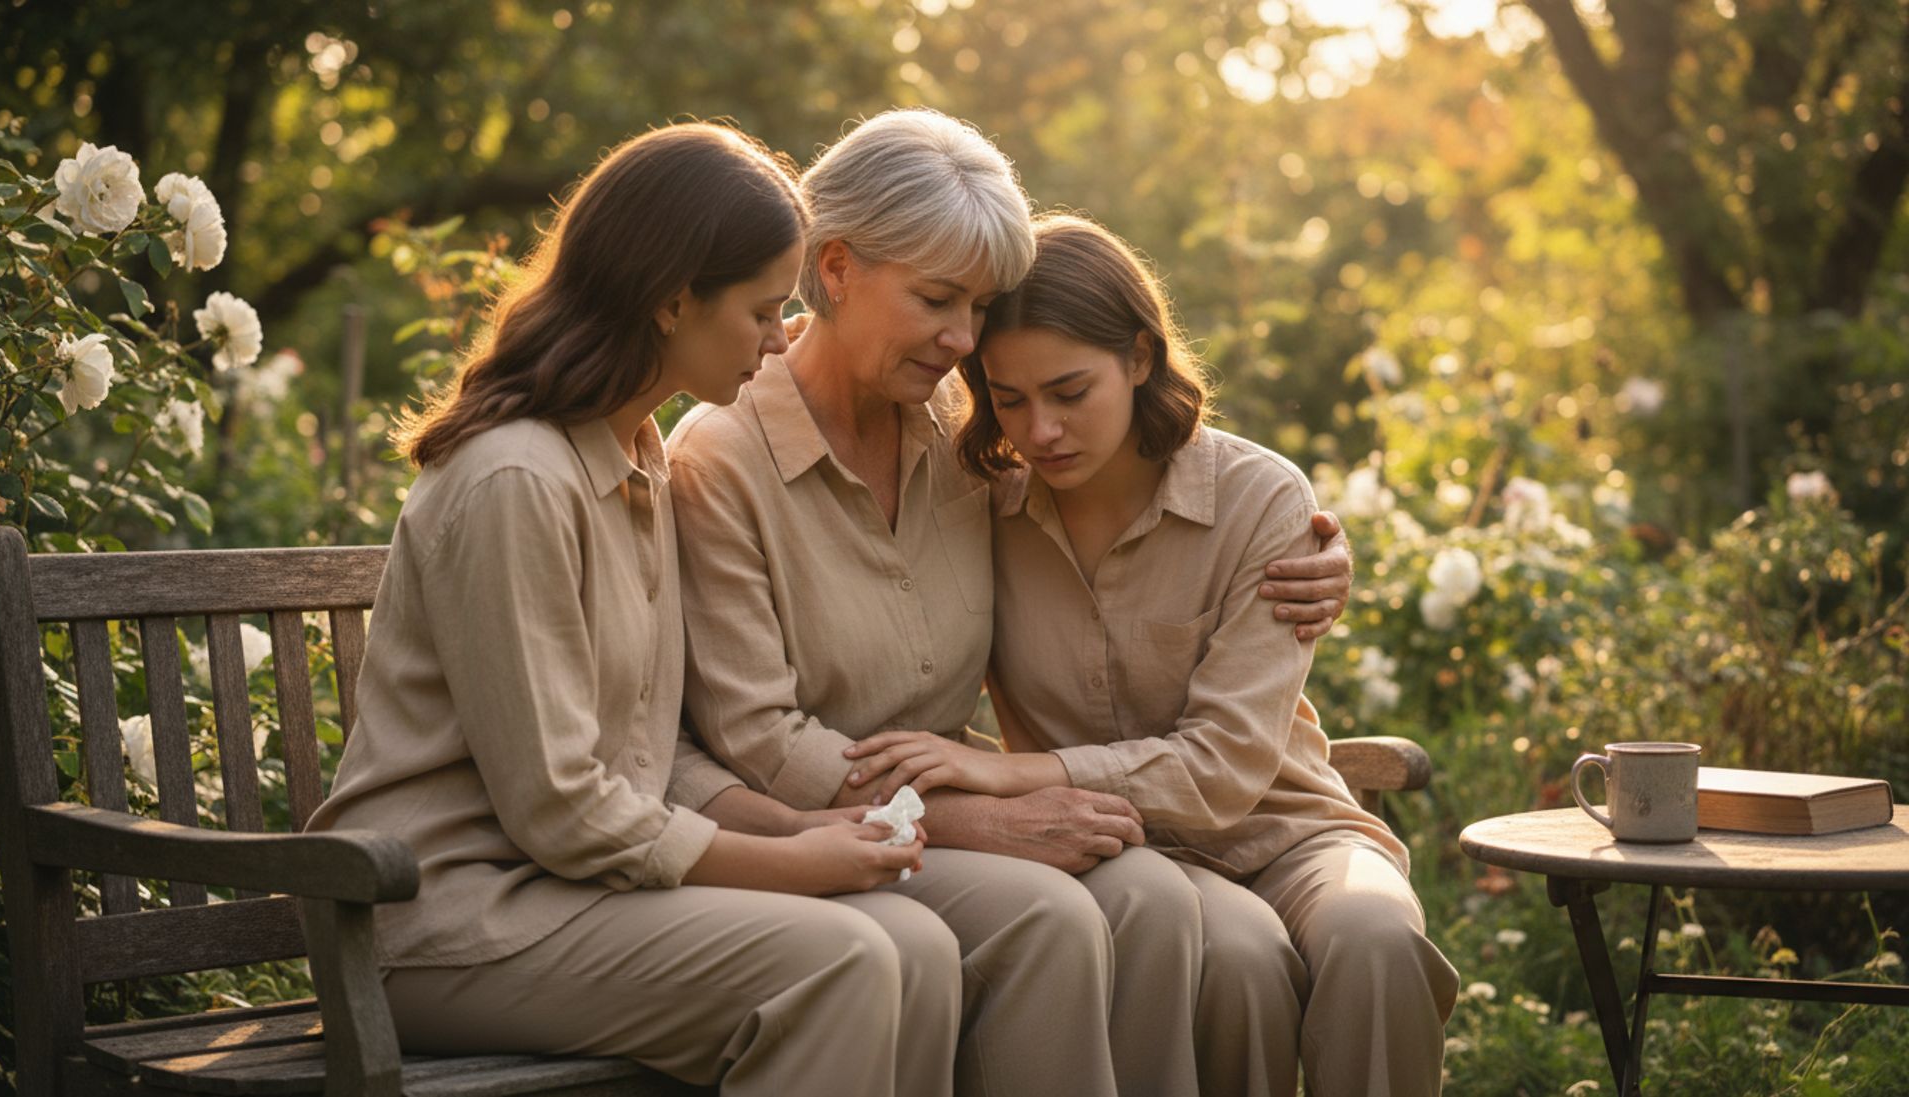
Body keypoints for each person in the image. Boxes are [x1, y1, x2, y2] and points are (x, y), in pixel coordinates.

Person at [668, 109, 1356, 1097]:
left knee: (1158, 901)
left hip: (963, 802)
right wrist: (974, 819)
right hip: (816, 823)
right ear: (834, 270)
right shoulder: (723, 454)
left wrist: (1314, 550)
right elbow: (761, 740)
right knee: (1059, 916)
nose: (963, 341)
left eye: (979, 307)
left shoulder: (963, 429)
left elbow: (1131, 470)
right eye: (939, 299)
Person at [304, 123, 959, 1097]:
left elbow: (641, 748)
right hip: (443, 922)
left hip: (571, 893)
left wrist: (793, 828)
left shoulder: (639, 456)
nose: (781, 337)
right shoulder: (515, 480)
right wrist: (798, 864)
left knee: (920, 944)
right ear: (670, 300)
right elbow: (561, 801)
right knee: (840, 960)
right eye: (762, 309)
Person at [846, 214, 1460, 1097]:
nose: (1041, 429)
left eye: (1069, 390)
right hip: (1123, 855)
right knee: (1239, 964)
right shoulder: (977, 504)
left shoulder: (1259, 500)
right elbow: (861, 380)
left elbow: (1225, 768)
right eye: (1009, 398)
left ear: (1140, 357)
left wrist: (1017, 774)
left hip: (1290, 830)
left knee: (1378, 939)